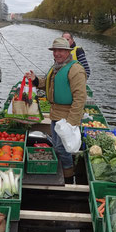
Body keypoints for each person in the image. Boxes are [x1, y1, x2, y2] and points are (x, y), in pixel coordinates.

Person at [25, 37, 87, 180]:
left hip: (66, 117)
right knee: (58, 146)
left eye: (61, 50)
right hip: (55, 114)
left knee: (62, 149)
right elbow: (45, 84)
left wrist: (71, 123)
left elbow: (80, 98)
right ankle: (65, 173)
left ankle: (68, 177)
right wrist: (34, 79)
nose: (57, 53)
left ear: (68, 52)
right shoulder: (56, 67)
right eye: (55, 50)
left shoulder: (76, 70)